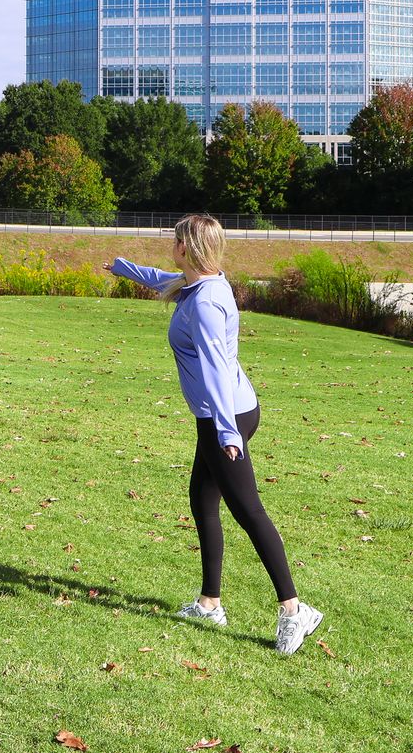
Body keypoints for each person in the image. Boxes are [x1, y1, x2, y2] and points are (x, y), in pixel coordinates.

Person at [103, 213, 322, 655]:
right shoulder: (202, 283)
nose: (172, 245)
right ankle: (210, 603)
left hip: (226, 417)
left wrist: (227, 434)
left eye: (177, 239)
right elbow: (159, 278)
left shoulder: (203, 302)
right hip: (227, 413)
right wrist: (121, 267)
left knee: (248, 510)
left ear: (188, 247)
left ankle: (295, 610)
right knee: (203, 501)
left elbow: (218, 372)